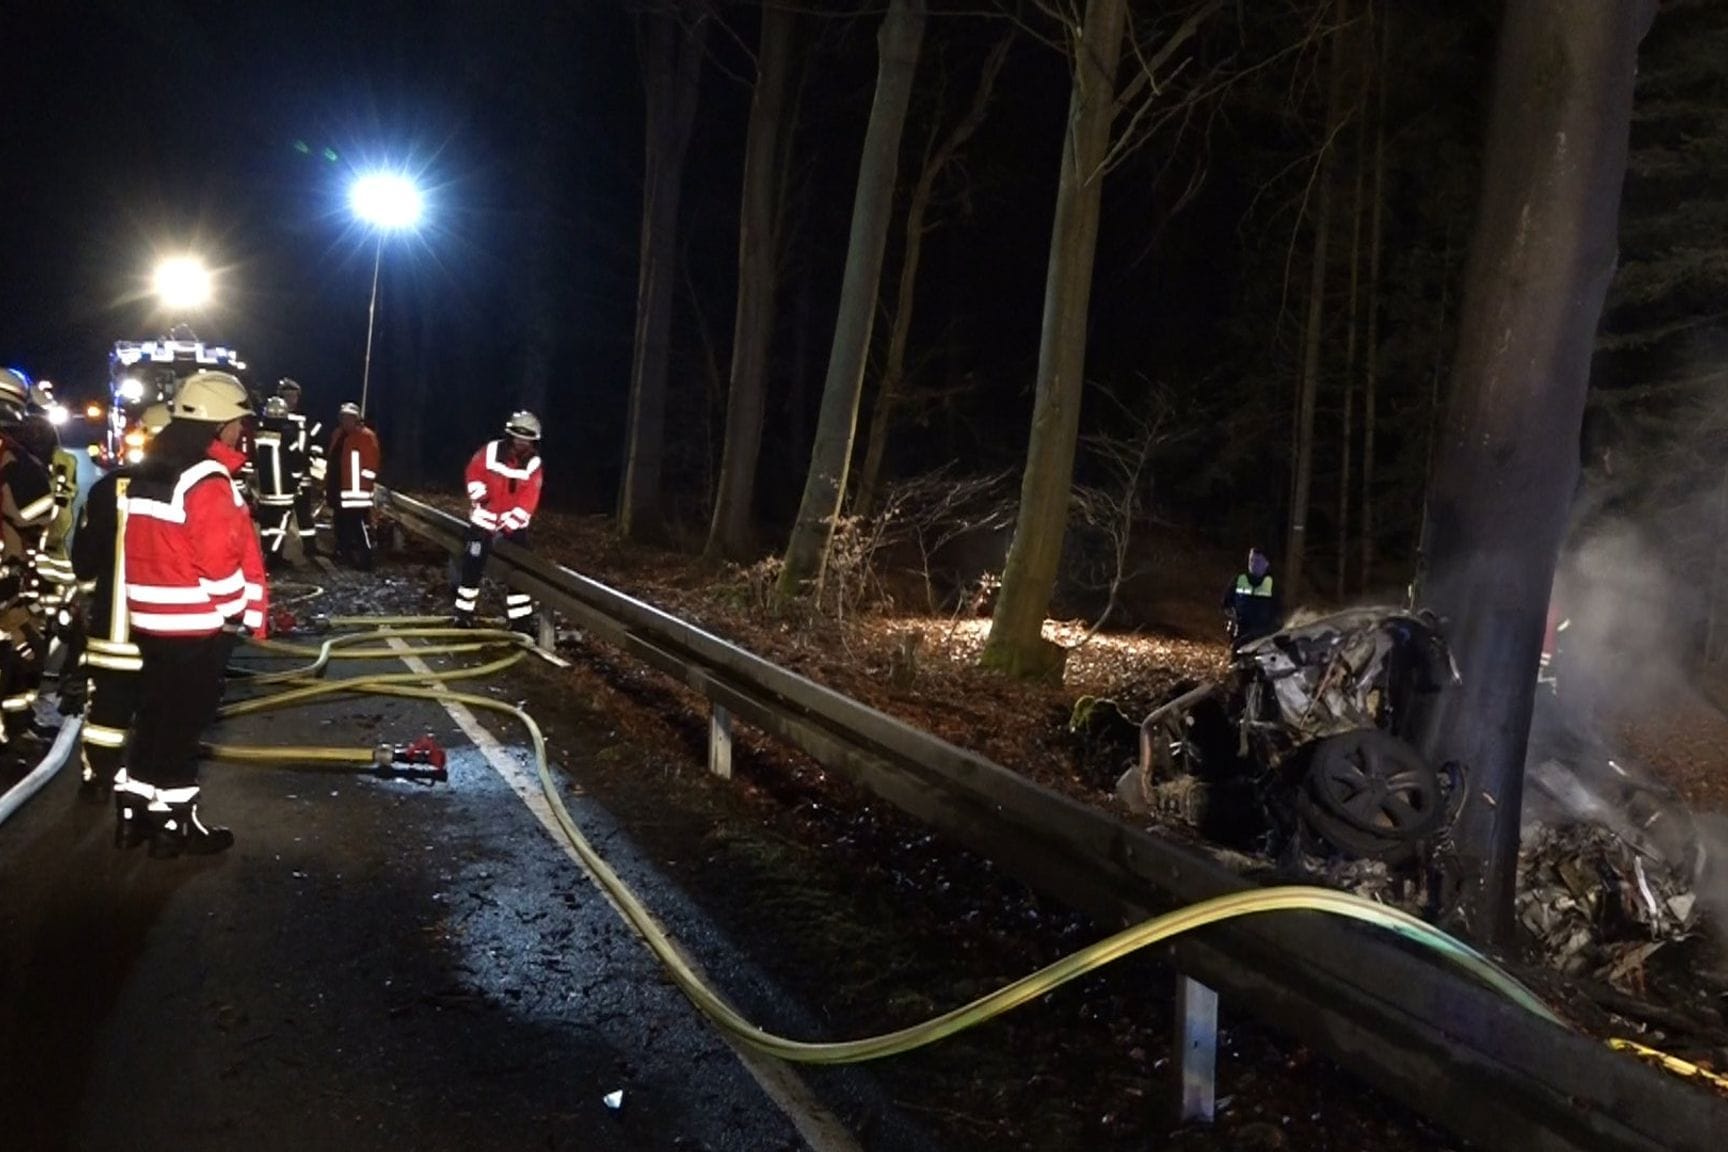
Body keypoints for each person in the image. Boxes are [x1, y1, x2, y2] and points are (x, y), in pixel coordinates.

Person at [113, 372, 266, 857]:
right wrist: (233, 614)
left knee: (154, 717)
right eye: (239, 421)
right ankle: (175, 827)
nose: (242, 431)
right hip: (196, 624)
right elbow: (219, 560)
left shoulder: (154, 471)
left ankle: (136, 813)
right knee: (184, 726)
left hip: (152, 620)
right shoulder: (205, 478)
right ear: (219, 423)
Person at [68, 402, 171, 788]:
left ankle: (97, 780)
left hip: (112, 633)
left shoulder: (105, 488)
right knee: (160, 711)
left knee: (107, 712)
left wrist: (91, 601)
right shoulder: (189, 487)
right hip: (167, 635)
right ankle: (148, 789)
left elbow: (84, 563)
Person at [0, 371, 59, 747]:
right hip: (8, 576)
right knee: (20, 647)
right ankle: (16, 727)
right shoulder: (15, 460)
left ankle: (16, 724)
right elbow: (36, 512)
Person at [454, 411, 543, 632]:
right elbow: (473, 474)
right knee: (471, 567)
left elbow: (529, 497)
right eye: (518, 437)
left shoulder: (533, 463)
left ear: (533, 440)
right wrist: (481, 497)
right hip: (483, 523)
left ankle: (521, 623)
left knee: (519, 574)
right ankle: (463, 614)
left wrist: (511, 525)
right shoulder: (491, 451)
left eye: (527, 439)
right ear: (510, 435)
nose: (522, 443)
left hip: (513, 530)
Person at [326, 402, 380, 570]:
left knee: (358, 526)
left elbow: (372, 465)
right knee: (341, 523)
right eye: (343, 418)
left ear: (357, 419)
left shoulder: (366, 436)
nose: (345, 421)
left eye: (349, 418)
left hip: (357, 493)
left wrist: (364, 486)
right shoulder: (338, 435)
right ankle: (344, 553)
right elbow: (333, 460)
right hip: (339, 490)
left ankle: (366, 559)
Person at [276, 379, 324, 559]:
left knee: (305, 515)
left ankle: (310, 548)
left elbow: (313, 438)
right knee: (283, 517)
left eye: (294, 396)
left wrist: (312, 454)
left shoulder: (304, 416)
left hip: (302, 475)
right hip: (284, 477)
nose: (291, 400)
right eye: (287, 396)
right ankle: (276, 552)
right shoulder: (276, 417)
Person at [251, 396, 299, 568]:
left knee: (267, 526)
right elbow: (295, 461)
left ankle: (265, 554)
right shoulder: (288, 435)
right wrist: (297, 480)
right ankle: (274, 557)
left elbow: (254, 461)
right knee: (281, 525)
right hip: (284, 490)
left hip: (265, 491)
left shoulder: (259, 434)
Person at [1223, 547, 1282, 647]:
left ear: (1266, 563)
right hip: (1241, 631)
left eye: (1258, 561)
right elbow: (1226, 603)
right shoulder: (1239, 580)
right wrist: (1232, 615)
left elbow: (1279, 610)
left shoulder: (1273, 585)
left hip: (1263, 634)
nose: (1253, 564)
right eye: (1251, 560)